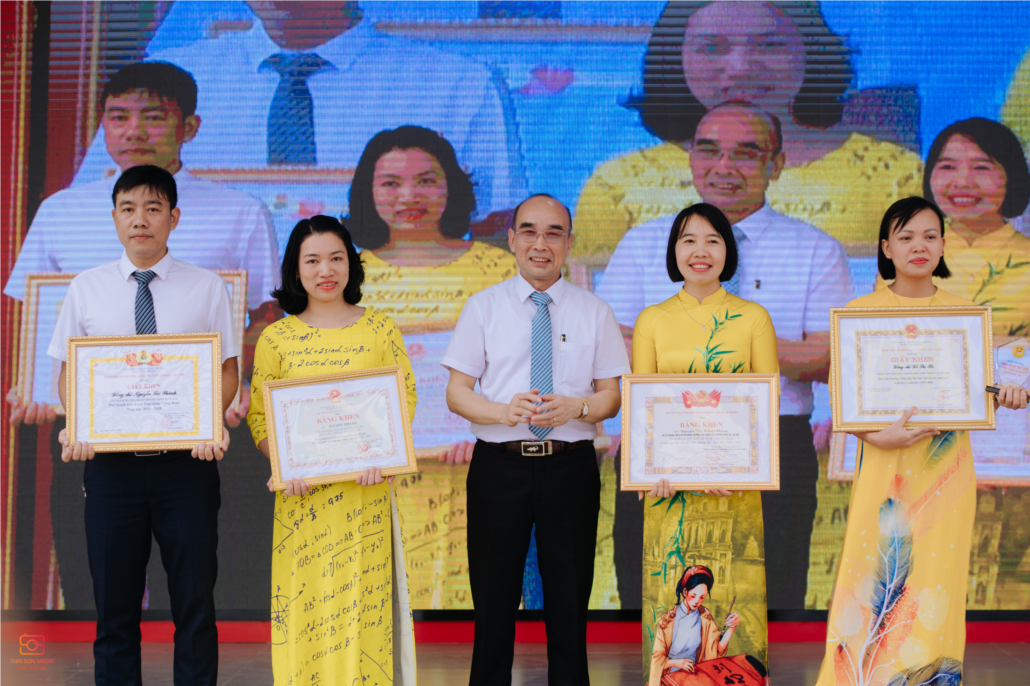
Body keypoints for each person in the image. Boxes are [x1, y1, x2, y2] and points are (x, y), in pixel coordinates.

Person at [4, 60, 279, 610]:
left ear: (190, 127)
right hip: (93, 433)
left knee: (202, 586)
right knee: (95, 583)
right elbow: (36, 319)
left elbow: (264, 318)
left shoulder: (240, 211)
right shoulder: (61, 210)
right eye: (118, 116)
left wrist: (239, 385)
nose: (133, 131)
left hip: (198, 433)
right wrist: (33, 387)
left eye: (153, 116)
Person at [599, 102, 852, 610]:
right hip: (663, 439)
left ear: (777, 164)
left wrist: (696, 343)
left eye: (746, 153)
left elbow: (829, 358)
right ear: (691, 157)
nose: (724, 166)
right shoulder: (644, 243)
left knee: (765, 603)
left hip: (772, 441)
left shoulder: (815, 249)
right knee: (656, 604)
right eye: (709, 150)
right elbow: (607, 345)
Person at [815, 197, 1030, 685]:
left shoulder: (966, 316)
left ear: (943, 246)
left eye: (930, 236)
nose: (919, 245)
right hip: (883, 469)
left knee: (937, 581)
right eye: (906, 236)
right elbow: (842, 397)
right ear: (885, 247)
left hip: (946, 473)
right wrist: (879, 435)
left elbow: (979, 395)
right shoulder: (859, 314)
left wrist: (1008, 396)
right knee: (874, 577)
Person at [72, 0, 525, 219]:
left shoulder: (459, 83)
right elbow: (85, 220)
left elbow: (497, 239)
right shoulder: (163, 81)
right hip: (201, 348)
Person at [51, 164, 239, 685]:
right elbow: (68, 373)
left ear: (173, 218)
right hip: (112, 471)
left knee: (195, 605)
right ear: (114, 217)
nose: (140, 220)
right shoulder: (86, 288)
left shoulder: (208, 288)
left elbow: (227, 370)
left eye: (153, 208)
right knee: (114, 611)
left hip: (187, 468)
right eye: (129, 209)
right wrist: (78, 423)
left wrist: (208, 422)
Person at [441, 194, 630, 684]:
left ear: (569, 242)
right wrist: (502, 412)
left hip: (570, 466)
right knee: (493, 600)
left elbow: (612, 396)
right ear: (511, 239)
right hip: (498, 465)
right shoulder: (483, 307)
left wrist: (578, 407)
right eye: (529, 231)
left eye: (553, 233)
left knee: (569, 600)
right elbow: (457, 393)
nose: (540, 243)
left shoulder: (595, 311)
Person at [573, 0, 922, 262]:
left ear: (812, 50)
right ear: (674, 58)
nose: (740, 68)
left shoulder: (896, 177)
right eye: (713, 47)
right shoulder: (617, 186)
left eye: (770, 45)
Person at [349, 126, 517, 609]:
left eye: (426, 180)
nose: (409, 196)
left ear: (452, 186)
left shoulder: (499, 268)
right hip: (377, 473)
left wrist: (485, 423)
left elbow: (524, 361)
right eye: (391, 183)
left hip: (480, 464)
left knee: (482, 606)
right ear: (367, 191)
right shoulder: (347, 274)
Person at [246, 215, 417, 684]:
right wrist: (285, 464)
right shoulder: (276, 338)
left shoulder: (380, 328)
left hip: (366, 493)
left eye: (336, 258)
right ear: (294, 269)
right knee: (308, 610)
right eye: (313, 260)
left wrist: (381, 457)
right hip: (303, 499)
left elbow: (404, 398)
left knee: (364, 610)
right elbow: (261, 418)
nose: (326, 270)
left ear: (351, 265)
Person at [633, 202, 775, 683]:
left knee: (734, 602)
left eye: (713, 240)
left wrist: (730, 468)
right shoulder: (652, 319)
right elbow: (644, 409)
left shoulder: (753, 317)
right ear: (674, 252)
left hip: (734, 488)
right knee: (670, 610)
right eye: (688, 240)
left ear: (728, 251)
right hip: (669, 490)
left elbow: (764, 406)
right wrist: (653, 472)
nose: (701, 251)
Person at [921, 118, 1030, 475]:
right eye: (947, 166)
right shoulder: (905, 261)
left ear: (1011, 176)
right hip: (924, 447)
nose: (963, 182)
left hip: (1015, 447)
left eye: (982, 167)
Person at [649, 566, 764, 686]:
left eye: (702, 597)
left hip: (693, 676)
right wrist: (676, 663)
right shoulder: (667, 621)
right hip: (669, 677)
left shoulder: (705, 617)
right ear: (685, 592)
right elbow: (657, 659)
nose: (697, 601)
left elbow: (716, 649)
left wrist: (732, 627)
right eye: (693, 596)